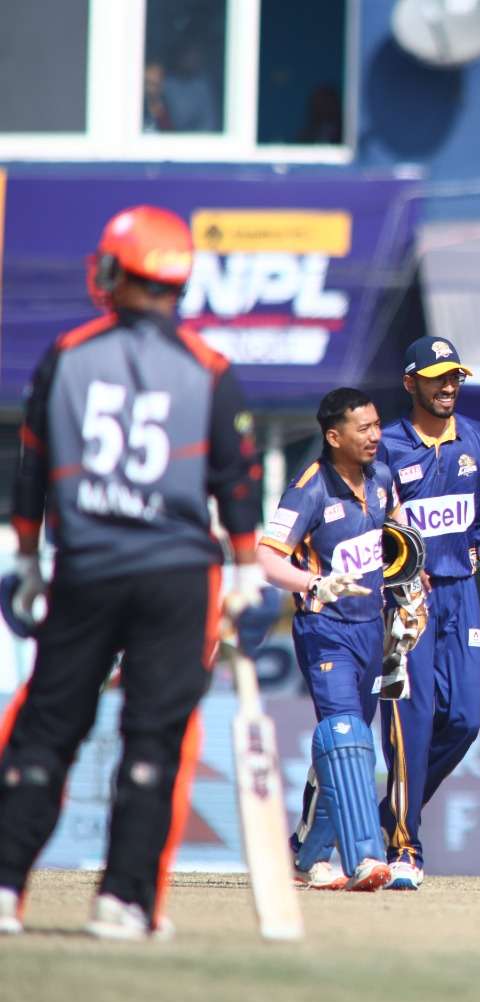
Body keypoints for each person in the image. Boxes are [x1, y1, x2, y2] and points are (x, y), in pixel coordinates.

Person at [0, 205, 261, 939]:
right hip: (178, 576)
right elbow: (237, 481)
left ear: (118, 272)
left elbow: (32, 468)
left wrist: (28, 556)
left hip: (87, 565)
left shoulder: (67, 354)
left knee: (48, 729)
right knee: (154, 739)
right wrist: (245, 570)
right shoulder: (210, 369)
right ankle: (124, 901)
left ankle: (5, 885)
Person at [376, 337, 480, 890]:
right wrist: (399, 571)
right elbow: (370, 525)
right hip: (405, 601)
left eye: (454, 376)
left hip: (463, 596)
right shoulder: (386, 445)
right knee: (410, 721)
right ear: (411, 383)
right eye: (437, 377)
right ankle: (404, 846)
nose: (448, 386)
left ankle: (390, 813)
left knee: (464, 721)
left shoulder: (476, 438)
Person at [257, 388, 400, 893]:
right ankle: (366, 856)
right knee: (346, 735)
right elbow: (267, 558)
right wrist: (314, 583)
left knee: (345, 746)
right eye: (364, 429)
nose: (375, 436)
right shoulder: (309, 488)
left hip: (371, 630)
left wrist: (411, 591)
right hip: (325, 630)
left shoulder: (382, 478)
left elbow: (399, 537)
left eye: (377, 425)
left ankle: (306, 855)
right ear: (334, 436)